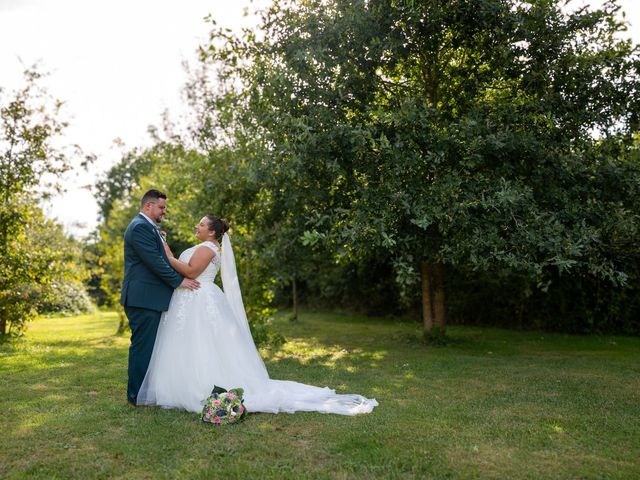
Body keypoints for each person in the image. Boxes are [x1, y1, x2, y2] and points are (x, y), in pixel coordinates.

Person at [137, 214, 378, 415]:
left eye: (201, 224)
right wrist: (165, 248)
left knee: (205, 344)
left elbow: (191, 270)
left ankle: (202, 386)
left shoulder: (209, 248)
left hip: (201, 300)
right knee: (188, 345)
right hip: (189, 300)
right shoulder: (202, 246)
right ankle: (179, 386)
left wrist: (167, 256)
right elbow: (178, 265)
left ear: (212, 232)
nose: (196, 226)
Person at [120, 189, 200, 406]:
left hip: (148, 297)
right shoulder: (139, 228)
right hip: (142, 298)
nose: (164, 211)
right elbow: (155, 261)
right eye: (162, 207)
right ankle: (136, 396)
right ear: (148, 206)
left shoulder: (148, 227)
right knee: (143, 347)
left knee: (150, 347)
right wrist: (179, 281)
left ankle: (145, 392)